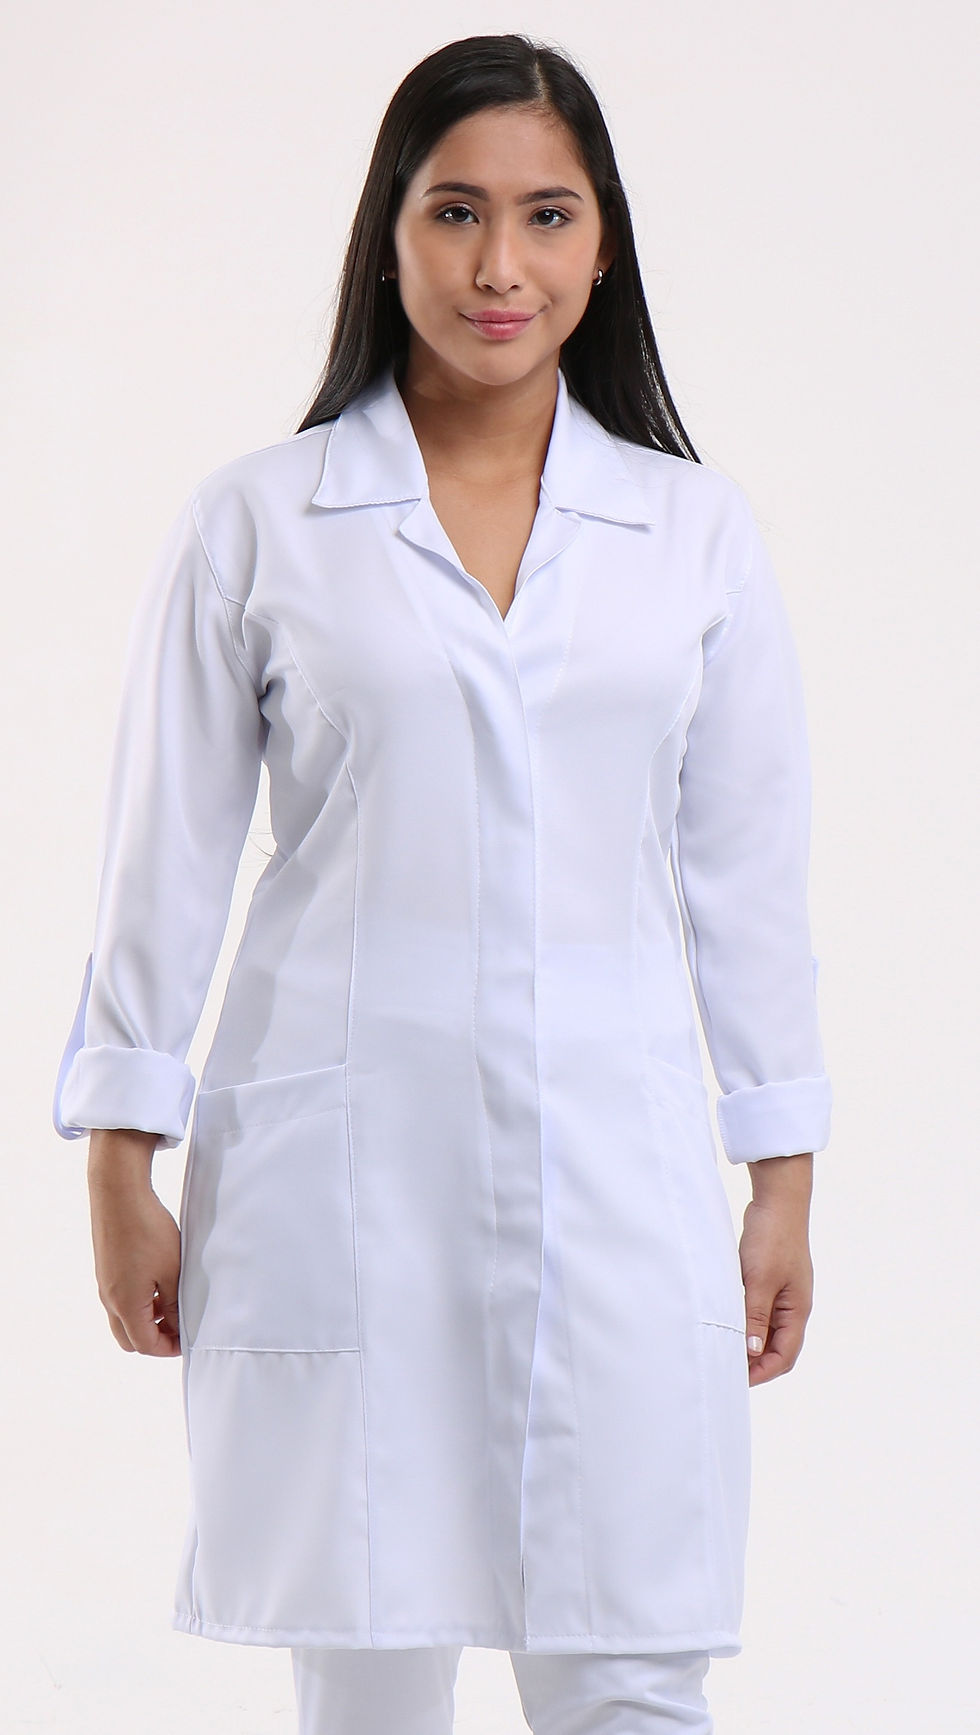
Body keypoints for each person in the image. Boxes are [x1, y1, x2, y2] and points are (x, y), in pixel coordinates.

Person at [52, 32, 832, 1735]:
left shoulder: (693, 535)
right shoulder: (262, 521)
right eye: (455, 211)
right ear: (387, 233)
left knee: (635, 1663)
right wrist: (121, 1156)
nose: (500, 267)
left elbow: (748, 875)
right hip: (349, 1173)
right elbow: (165, 856)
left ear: (603, 247)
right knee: (369, 1664)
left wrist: (779, 1174)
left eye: (548, 216)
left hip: (620, 1175)